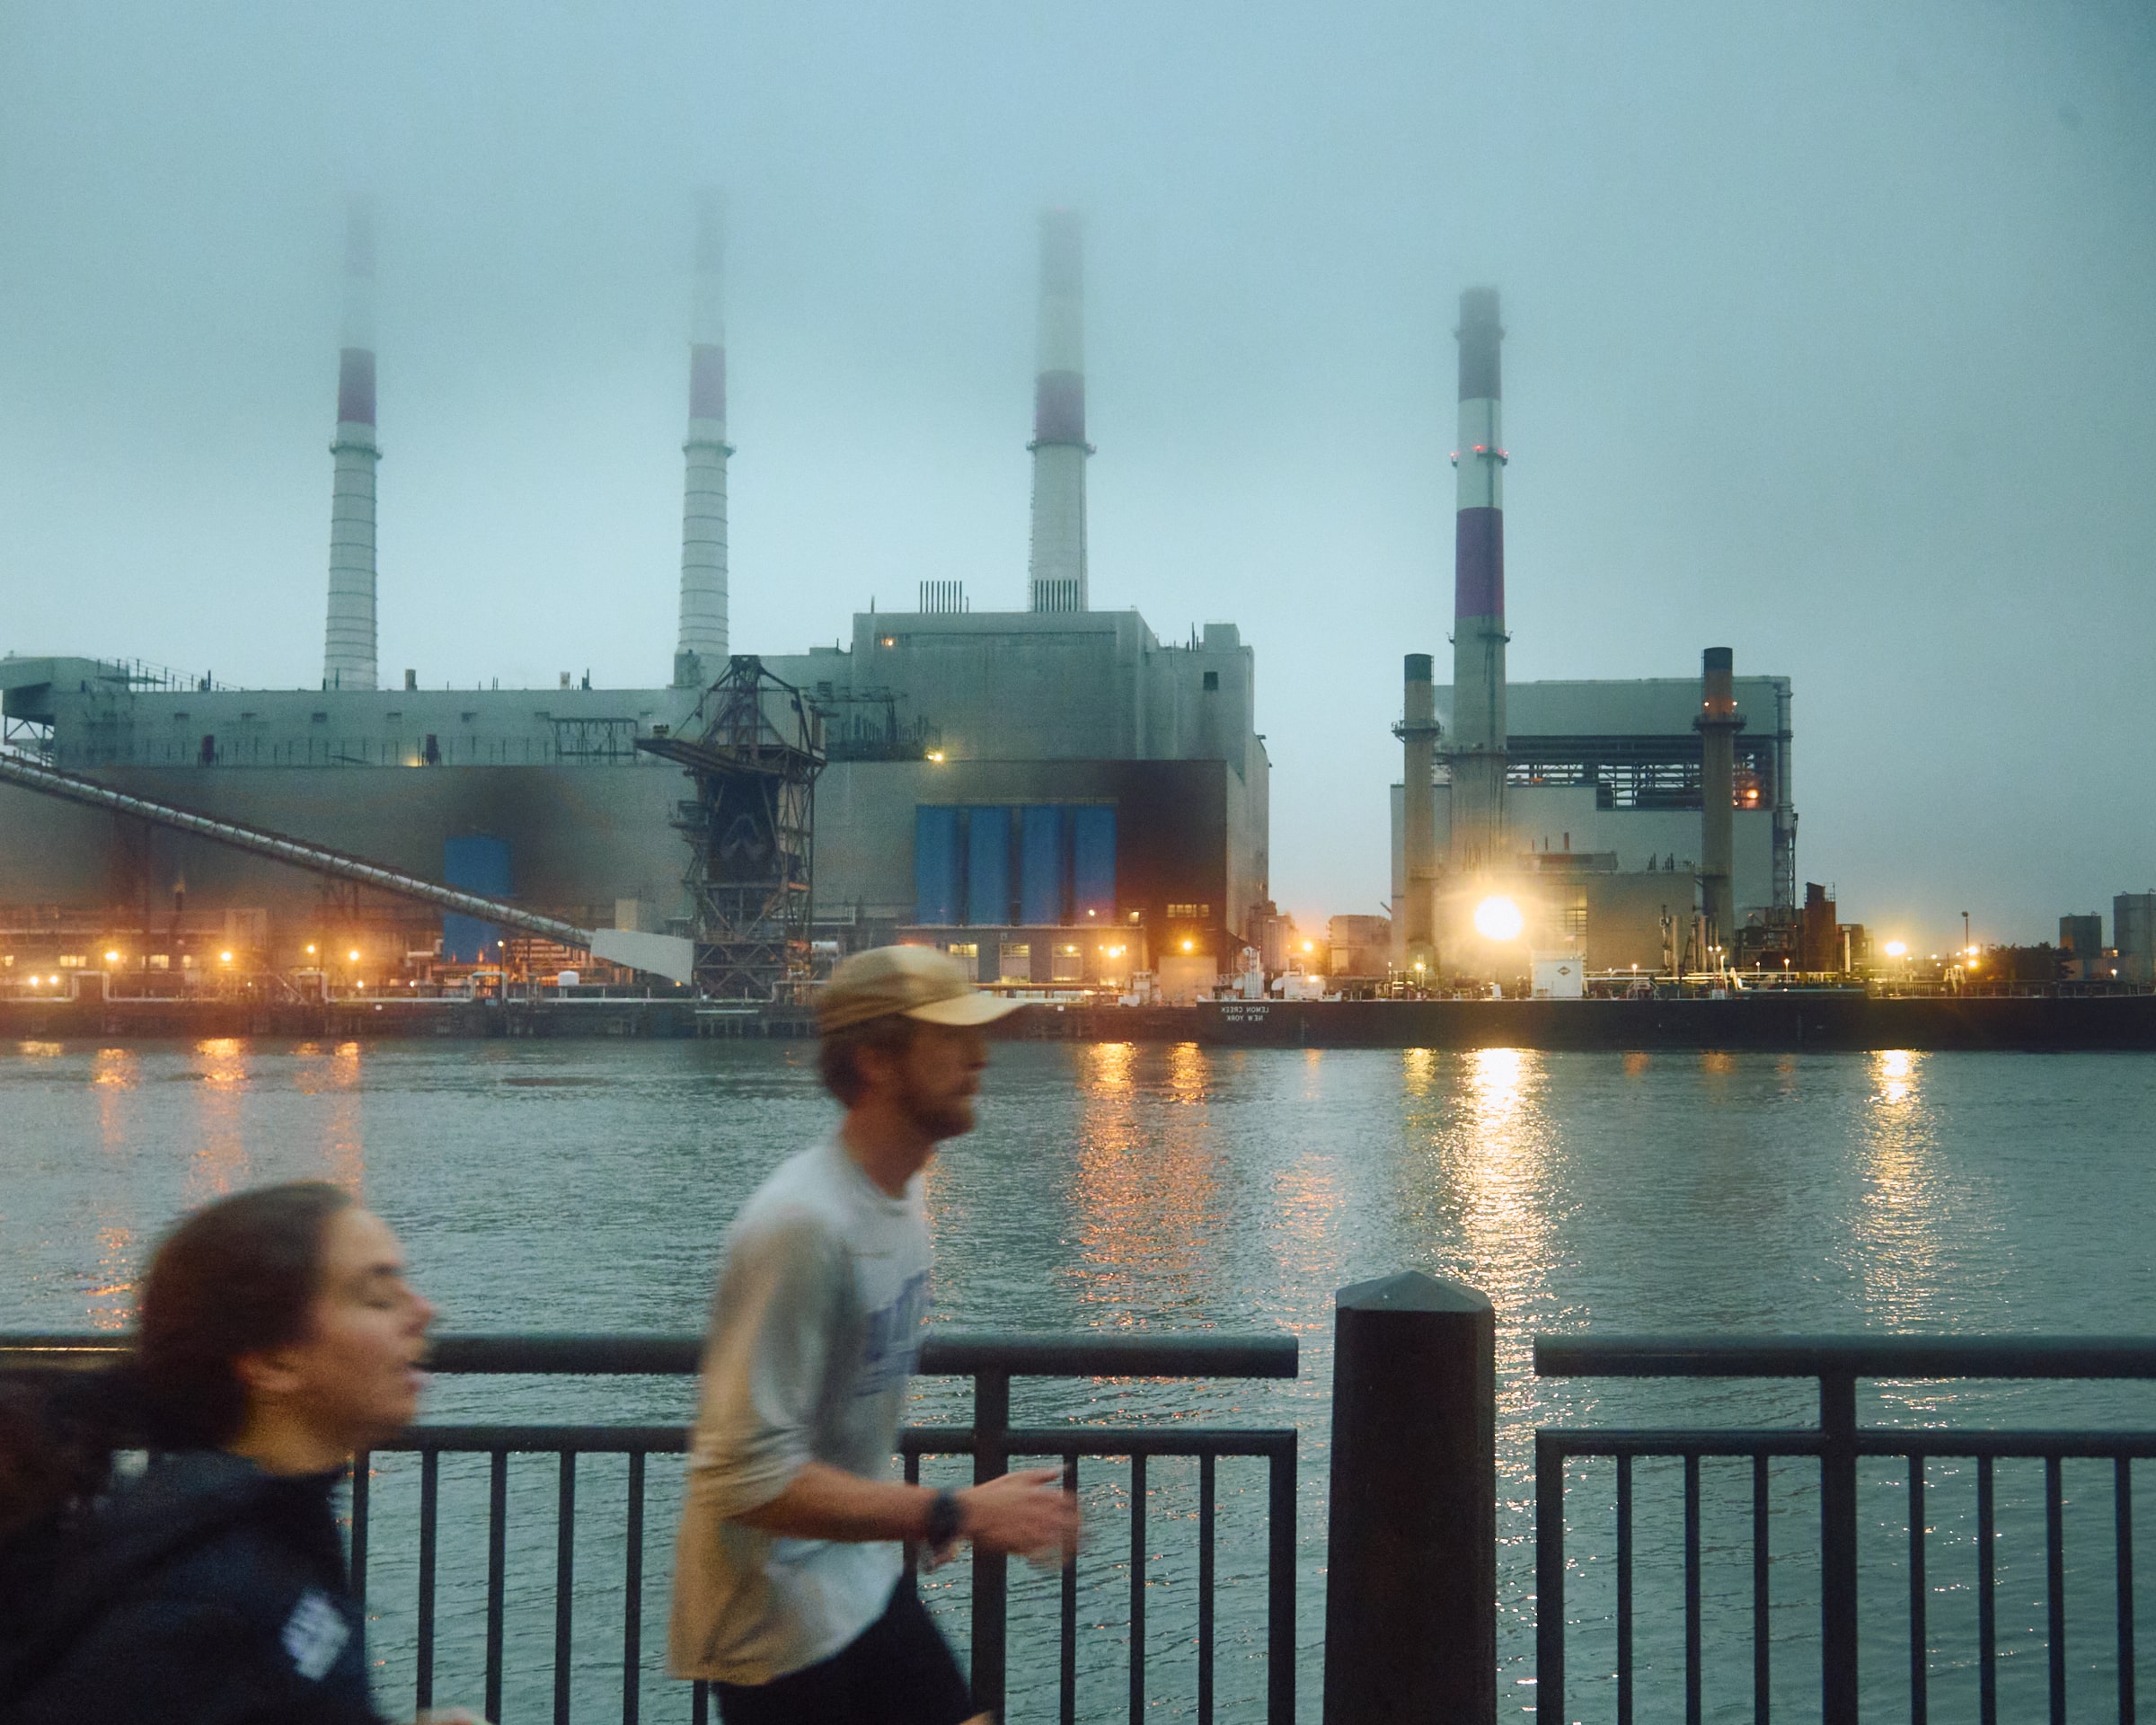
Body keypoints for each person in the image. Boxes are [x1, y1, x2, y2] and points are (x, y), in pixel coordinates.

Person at [669, 946, 1081, 1725]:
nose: (980, 1057)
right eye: (951, 1037)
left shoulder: (900, 1198)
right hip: (777, 1635)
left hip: (857, 1583)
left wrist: (918, 1517)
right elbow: (742, 1476)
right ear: (876, 1060)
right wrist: (951, 1512)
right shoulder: (802, 1225)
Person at [0, 1181, 481, 1725]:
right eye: (377, 1297)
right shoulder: (197, 1598)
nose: (424, 1311)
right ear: (274, 1361)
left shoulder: (269, 1523)